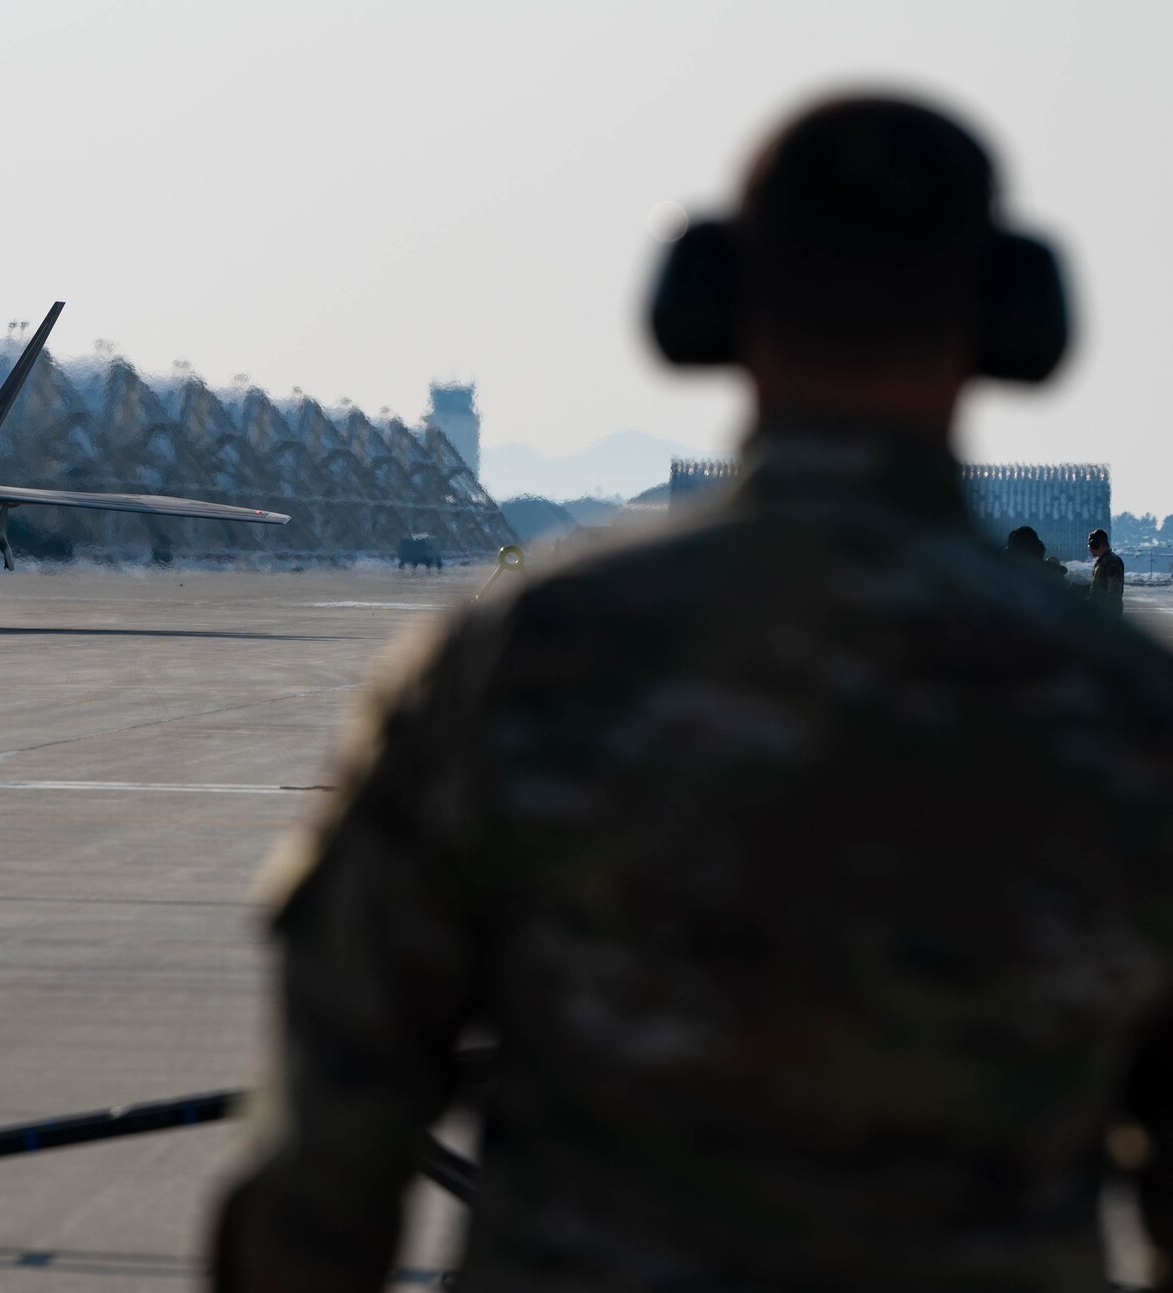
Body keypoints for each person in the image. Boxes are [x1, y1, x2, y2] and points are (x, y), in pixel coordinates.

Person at [213, 97, 1173, 1292]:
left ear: (709, 308)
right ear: (1013, 322)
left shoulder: (530, 658)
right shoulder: (1125, 703)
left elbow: (332, 1138)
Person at [1090, 527, 1126, 614]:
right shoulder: (1102, 562)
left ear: (1097, 544)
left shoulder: (1112, 561)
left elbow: (1114, 591)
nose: (1089, 549)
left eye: (1091, 545)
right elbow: (1099, 586)